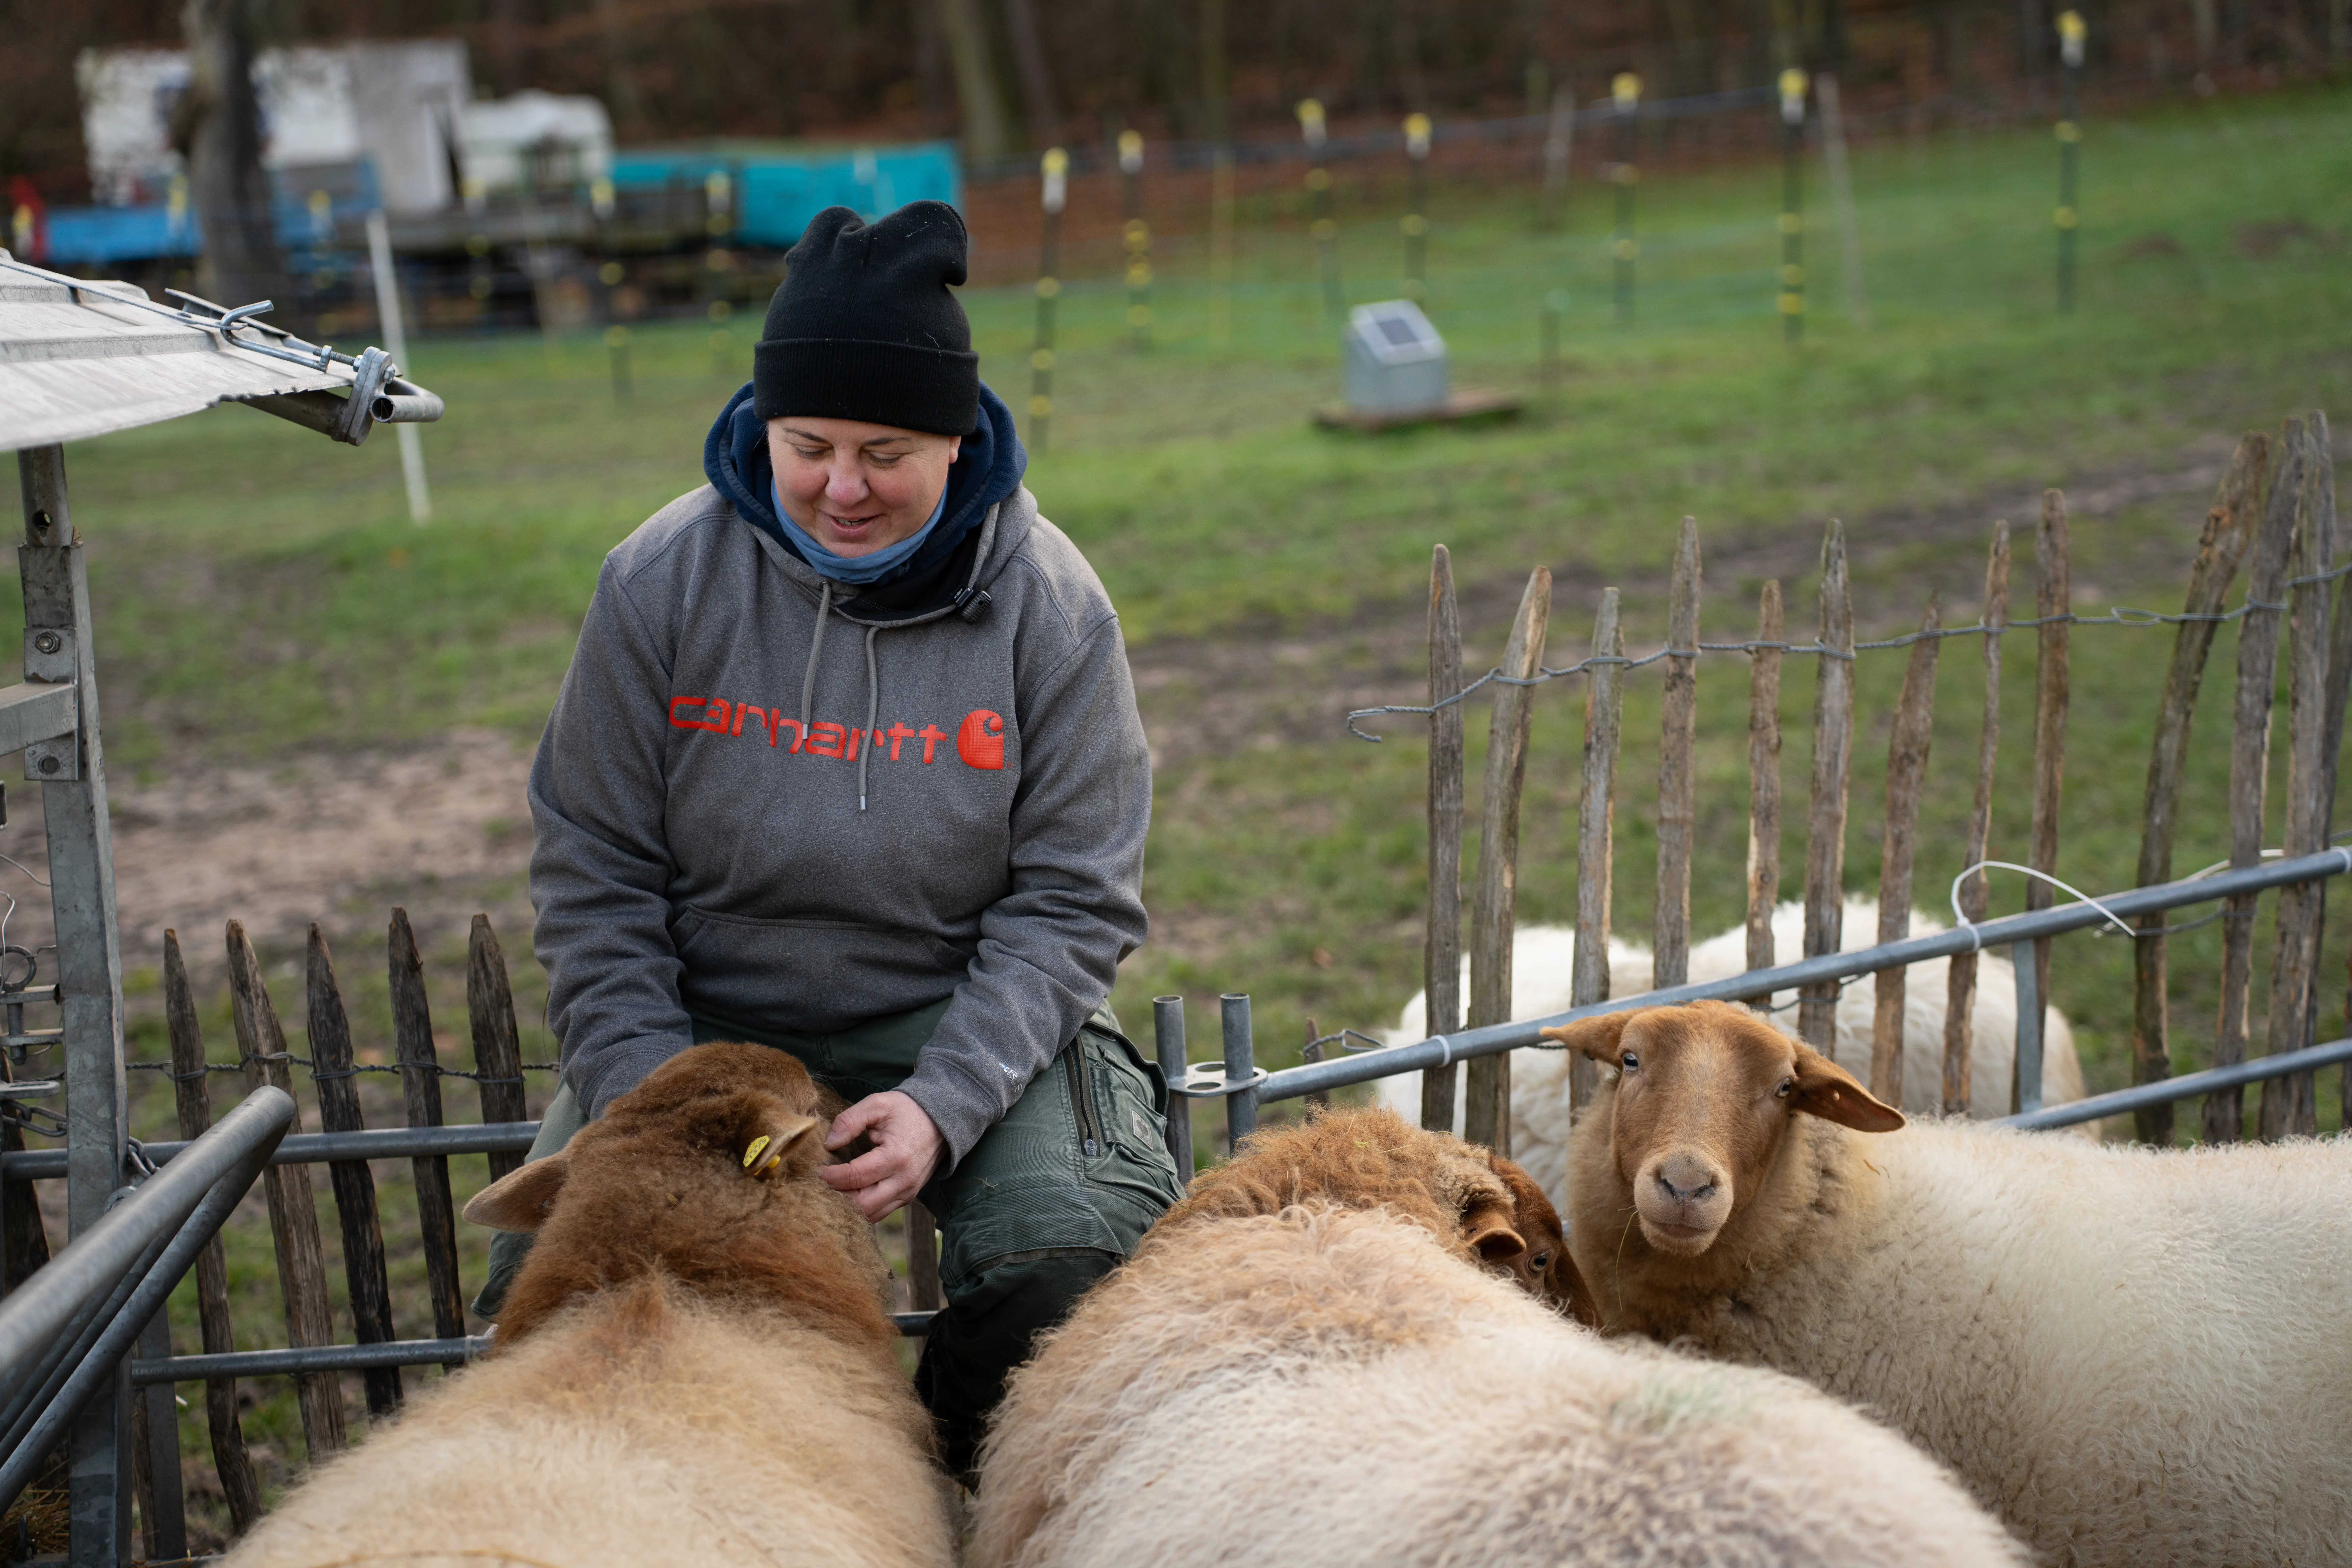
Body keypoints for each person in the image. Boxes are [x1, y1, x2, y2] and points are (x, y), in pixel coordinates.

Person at [476, 200, 1183, 1479]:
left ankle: (939, 1489)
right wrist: (652, 1096)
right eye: (809, 445)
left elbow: (1076, 900)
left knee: (1071, 1261)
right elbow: (595, 863)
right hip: (707, 1017)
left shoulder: (1052, 607)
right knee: (545, 1278)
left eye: (887, 451)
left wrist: (944, 1104)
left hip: (954, 1001)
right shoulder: (661, 580)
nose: (843, 488)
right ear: (763, 426)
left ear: (959, 446)